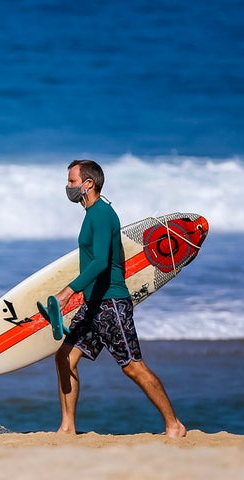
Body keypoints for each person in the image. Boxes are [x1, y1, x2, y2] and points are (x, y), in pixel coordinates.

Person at [52, 159, 187, 438]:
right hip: (94, 304)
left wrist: (68, 292)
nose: (68, 187)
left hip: (111, 304)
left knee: (133, 368)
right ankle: (67, 427)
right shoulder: (91, 214)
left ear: (88, 184)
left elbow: (101, 262)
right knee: (64, 357)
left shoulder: (101, 215)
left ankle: (174, 424)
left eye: (72, 181)